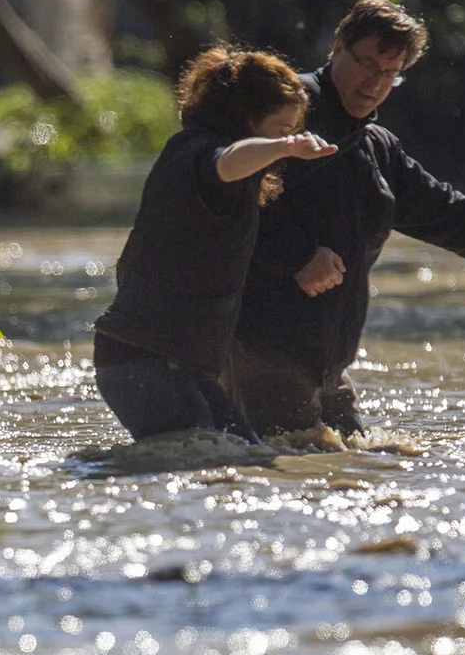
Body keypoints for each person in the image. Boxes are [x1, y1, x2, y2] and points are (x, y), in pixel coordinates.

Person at [227, 0, 465, 437]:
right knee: (291, 473)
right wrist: (298, 254)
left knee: (358, 464)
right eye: (367, 65)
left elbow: (450, 213)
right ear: (337, 48)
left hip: (327, 360)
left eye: (390, 74)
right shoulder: (283, 117)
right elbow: (227, 196)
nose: (375, 83)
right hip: (259, 349)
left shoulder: (377, 149)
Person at [92, 46, 336, 441]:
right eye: (280, 129)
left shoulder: (187, 149)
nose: (288, 139)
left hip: (173, 363)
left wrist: (278, 143)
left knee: (245, 457)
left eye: (292, 131)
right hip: (145, 363)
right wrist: (286, 148)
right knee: (207, 467)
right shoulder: (204, 157)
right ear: (246, 120)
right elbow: (229, 160)